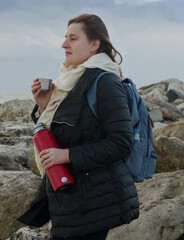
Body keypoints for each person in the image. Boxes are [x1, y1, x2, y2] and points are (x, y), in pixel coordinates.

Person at [20, 13, 139, 240]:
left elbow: (121, 143)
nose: (64, 44)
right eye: (65, 37)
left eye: (73, 39)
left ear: (95, 45)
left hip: (94, 202)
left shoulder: (105, 82)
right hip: (71, 200)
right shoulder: (72, 81)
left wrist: (65, 155)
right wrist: (45, 108)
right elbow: (72, 131)